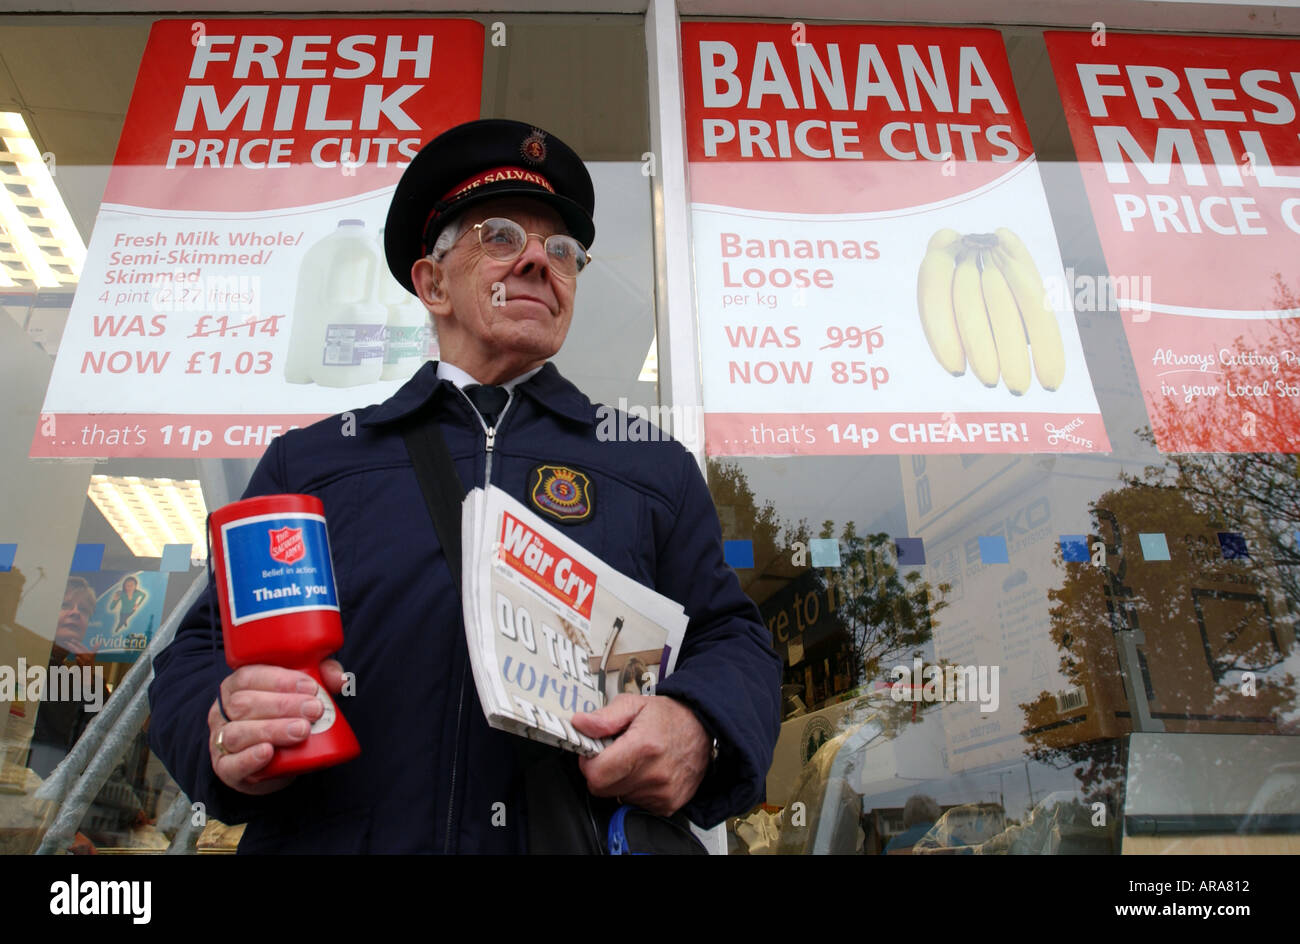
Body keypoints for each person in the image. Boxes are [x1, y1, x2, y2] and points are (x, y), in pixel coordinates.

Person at [148, 118, 782, 853]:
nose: (542, 261)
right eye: (504, 236)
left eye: (564, 251)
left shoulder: (649, 463)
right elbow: (200, 654)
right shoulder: (313, 465)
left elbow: (732, 639)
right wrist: (225, 724)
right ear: (432, 282)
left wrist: (698, 724)